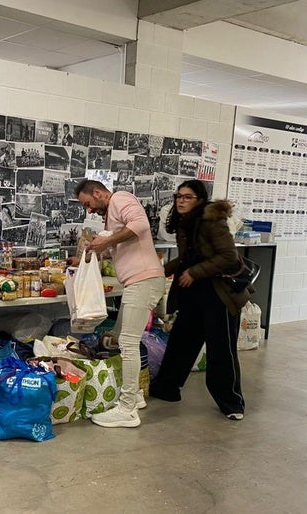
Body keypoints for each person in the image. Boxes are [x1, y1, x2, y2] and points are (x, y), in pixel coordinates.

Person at [150, 179, 248, 421]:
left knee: (221, 350)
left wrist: (194, 273)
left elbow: (229, 256)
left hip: (219, 294)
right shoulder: (187, 222)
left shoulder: (211, 220)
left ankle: (232, 403)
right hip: (195, 293)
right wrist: (156, 270)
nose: (180, 201)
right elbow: (188, 258)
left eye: (187, 197)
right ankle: (166, 388)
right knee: (182, 341)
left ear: (200, 200)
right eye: (178, 196)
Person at [72, 179, 166, 428]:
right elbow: (113, 246)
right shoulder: (110, 215)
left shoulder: (121, 198)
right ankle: (135, 396)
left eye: (88, 203)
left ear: (98, 192)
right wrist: (84, 256)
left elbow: (141, 225)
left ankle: (127, 409)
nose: (88, 210)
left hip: (144, 279)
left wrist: (108, 241)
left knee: (127, 342)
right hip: (136, 281)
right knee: (118, 336)